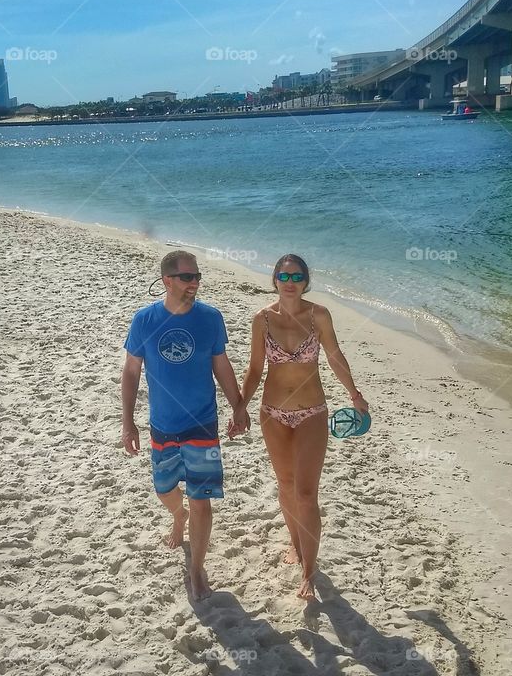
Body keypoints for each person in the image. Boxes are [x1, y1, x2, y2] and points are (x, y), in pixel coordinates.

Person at [235, 254, 368, 601]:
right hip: (272, 413)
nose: (290, 282)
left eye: (297, 277)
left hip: (312, 412)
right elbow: (254, 370)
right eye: (284, 275)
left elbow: (335, 356)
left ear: (306, 282)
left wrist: (355, 394)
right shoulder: (261, 319)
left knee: (307, 493)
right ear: (275, 279)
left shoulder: (319, 315)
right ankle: (295, 544)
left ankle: (309, 570)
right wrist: (239, 406)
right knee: (286, 484)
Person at [121, 250, 249, 600]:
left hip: (202, 424)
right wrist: (127, 422)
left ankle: (195, 570)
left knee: (201, 500)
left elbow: (221, 366)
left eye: (197, 277)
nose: (195, 283)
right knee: (164, 490)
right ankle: (178, 517)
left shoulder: (210, 318)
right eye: (187, 277)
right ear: (167, 280)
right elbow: (131, 372)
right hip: (163, 424)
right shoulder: (145, 321)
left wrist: (238, 406)